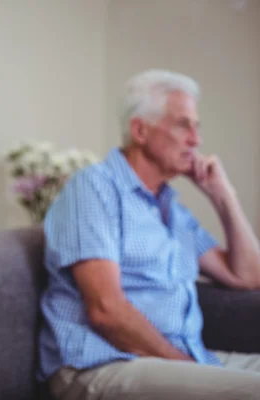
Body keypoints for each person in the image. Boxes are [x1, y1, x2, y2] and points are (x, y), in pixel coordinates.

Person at [39, 69, 260, 400]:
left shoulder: (171, 208)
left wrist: (224, 196)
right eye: (184, 125)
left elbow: (247, 276)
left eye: (197, 128)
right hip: (105, 366)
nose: (196, 141)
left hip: (183, 361)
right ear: (140, 130)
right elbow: (106, 310)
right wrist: (191, 369)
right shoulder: (94, 188)